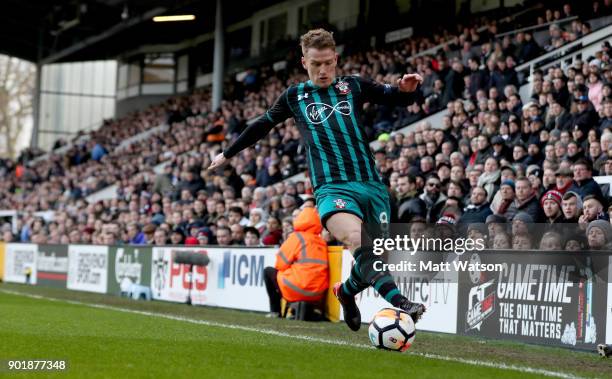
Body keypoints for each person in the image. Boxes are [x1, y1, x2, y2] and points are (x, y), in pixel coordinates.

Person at [209, 28, 426, 330]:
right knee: (357, 240)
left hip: (372, 186)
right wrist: (228, 153)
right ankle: (402, 304)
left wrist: (406, 90)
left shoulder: (353, 86)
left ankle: (345, 294)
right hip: (331, 188)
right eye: (315, 64)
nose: (322, 70)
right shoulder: (295, 96)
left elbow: (395, 98)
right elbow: (262, 124)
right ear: (304, 63)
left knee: (375, 260)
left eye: (327, 63)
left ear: (335, 58)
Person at [263, 207, 329, 319]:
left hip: (297, 289)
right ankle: (297, 313)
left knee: (268, 271)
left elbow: (280, 265)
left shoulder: (296, 237)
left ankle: (275, 311)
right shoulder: (321, 241)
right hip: (318, 293)